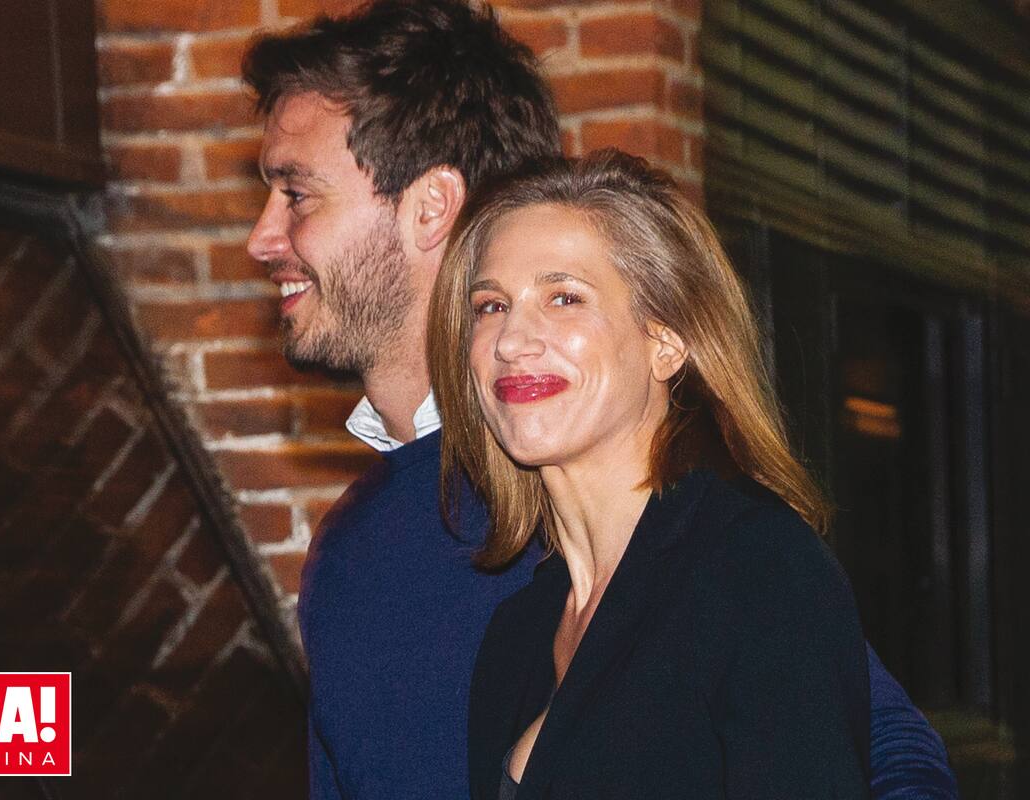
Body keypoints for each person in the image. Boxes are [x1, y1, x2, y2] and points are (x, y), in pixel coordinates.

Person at [239, 2, 958, 798]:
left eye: (296, 193)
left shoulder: (647, 500)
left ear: (430, 207)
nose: (261, 238)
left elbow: (882, 747)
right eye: (493, 306)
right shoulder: (363, 548)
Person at [430, 149, 864, 798]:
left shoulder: (759, 573)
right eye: (491, 306)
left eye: (564, 297)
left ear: (666, 340)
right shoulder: (517, 630)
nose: (513, 340)